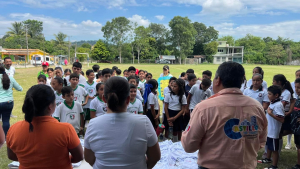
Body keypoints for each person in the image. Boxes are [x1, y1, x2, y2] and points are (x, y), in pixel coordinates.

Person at [181, 61, 267, 169]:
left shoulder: (204, 108)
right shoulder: (257, 107)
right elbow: (261, 141)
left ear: (218, 80)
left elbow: (189, 146)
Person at [84, 77, 161, 168]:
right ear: (128, 100)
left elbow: (88, 158)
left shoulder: (93, 124)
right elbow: (155, 157)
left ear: (104, 99)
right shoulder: (144, 122)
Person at [6, 85, 83, 168]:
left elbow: (11, 156)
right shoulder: (66, 129)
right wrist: (63, 159)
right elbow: (79, 156)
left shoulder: (13, 129)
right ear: (50, 106)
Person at [258, 85, 284, 169]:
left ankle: (274, 166)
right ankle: (267, 158)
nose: (268, 95)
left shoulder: (278, 105)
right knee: (269, 145)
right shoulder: (273, 103)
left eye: (269, 94)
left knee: (274, 149)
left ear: (276, 95)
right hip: (269, 130)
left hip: (274, 132)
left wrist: (270, 114)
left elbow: (282, 119)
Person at [273, 74, 295, 153]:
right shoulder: (278, 91)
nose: (272, 83)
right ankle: (276, 152)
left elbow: (282, 105)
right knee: (278, 134)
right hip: (277, 113)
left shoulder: (286, 93)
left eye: (274, 81)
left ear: (279, 82)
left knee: (280, 133)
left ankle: (277, 152)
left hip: (284, 114)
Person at [0, 66, 22, 136]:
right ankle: (6, 137)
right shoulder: (10, 78)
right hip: (8, 102)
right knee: (6, 120)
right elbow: (19, 88)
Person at [290, 78, 300, 169]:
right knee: (298, 145)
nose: (296, 89)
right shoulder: (297, 99)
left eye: (299, 88)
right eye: (296, 87)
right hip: (296, 128)